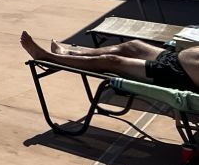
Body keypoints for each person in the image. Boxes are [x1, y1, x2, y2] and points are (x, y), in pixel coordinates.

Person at [20, 31, 199, 92]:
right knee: (132, 46)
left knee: (111, 61)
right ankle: (70, 53)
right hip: (175, 59)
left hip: (176, 75)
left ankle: (49, 58)